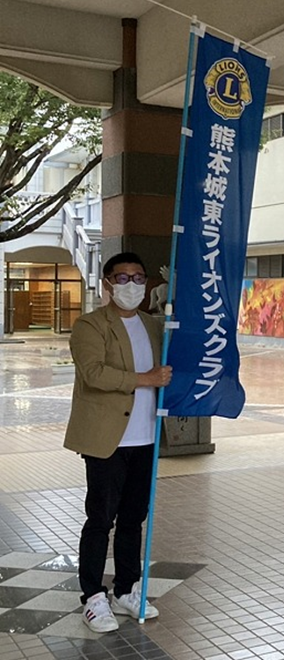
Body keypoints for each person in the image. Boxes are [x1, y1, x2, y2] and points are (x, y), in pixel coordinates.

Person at [64, 252, 172, 633]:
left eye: (139, 278)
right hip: (106, 441)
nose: (132, 285)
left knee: (132, 519)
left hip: (145, 439)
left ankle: (126, 589)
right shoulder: (90, 326)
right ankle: (93, 596)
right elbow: (94, 373)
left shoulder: (153, 325)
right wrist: (146, 378)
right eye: (123, 278)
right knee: (100, 519)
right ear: (107, 283)